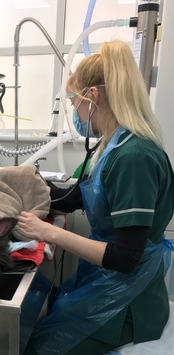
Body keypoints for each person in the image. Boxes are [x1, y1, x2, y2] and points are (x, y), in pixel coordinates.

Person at [17, 40, 174, 355]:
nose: (74, 111)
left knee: (38, 349)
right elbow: (75, 197)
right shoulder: (110, 144)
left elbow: (126, 259)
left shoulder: (134, 157)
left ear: (93, 95)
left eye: (74, 100)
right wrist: (21, 188)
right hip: (104, 282)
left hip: (127, 300)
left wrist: (48, 231)